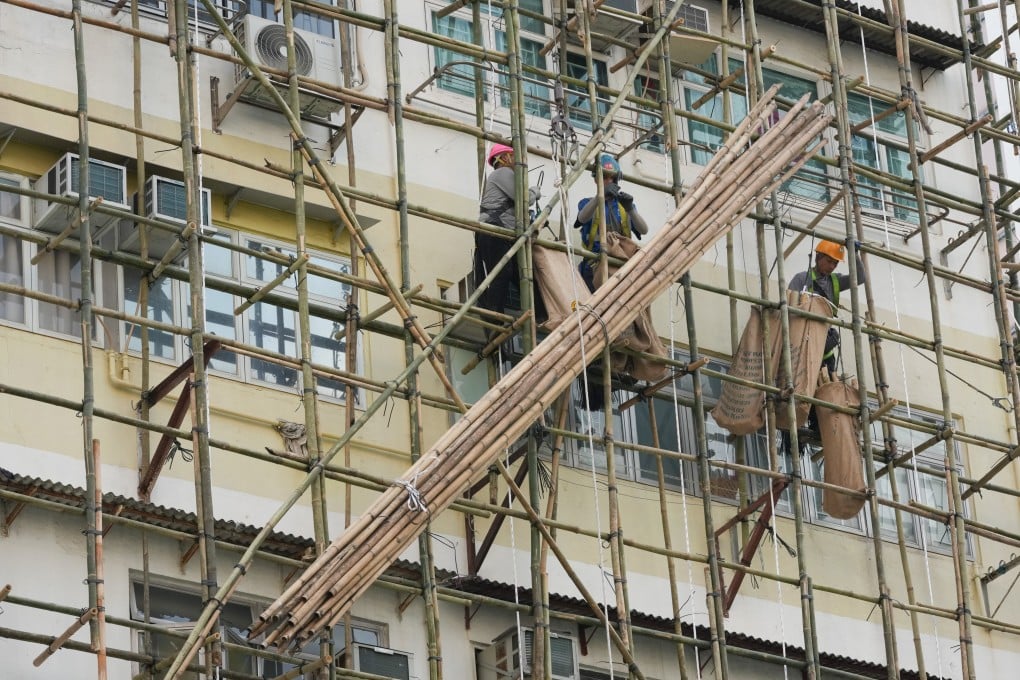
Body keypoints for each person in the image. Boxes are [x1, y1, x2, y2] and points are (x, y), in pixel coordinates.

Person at [474, 143, 541, 315]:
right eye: (513, 155)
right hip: (494, 231)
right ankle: (494, 314)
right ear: (504, 158)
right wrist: (535, 191)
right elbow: (523, 198)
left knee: (520, 276)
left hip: (501, 233)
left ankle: (539, 313)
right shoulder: (502, 172)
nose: (517, 160)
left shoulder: (501, 176)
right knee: (502, 272)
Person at [788, 239, 865, 378]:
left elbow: (859, 278)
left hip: (824, 345)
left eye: (835, 263)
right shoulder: (801, 279)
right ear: (818, 257)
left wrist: (854, 253)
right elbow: (788, 309)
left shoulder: (834, 281)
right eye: (829, 261)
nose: (832, 266)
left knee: (825, 383)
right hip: (801, 341)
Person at [573, 154, 648, 291]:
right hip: (594, 266)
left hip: (621, 266)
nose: (609, 181)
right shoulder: (588, 203)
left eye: (612, 178)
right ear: (596, 179)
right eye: (605, 177)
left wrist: (630, 208)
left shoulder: (623, 207)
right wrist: (600, 197)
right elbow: (582, 218)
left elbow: (643, 230)